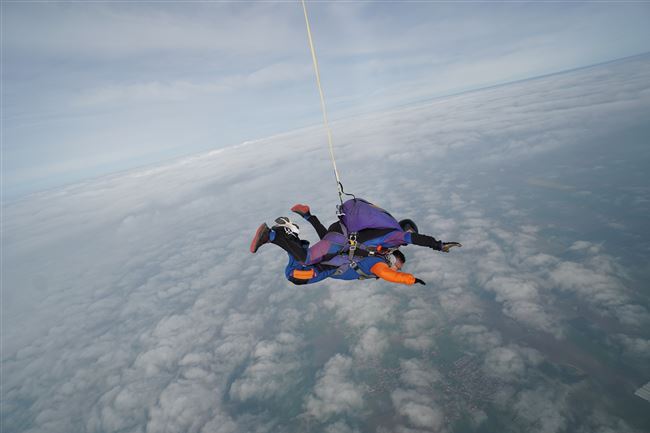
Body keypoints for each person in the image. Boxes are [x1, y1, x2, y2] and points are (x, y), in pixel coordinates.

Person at [250, 217, 426, 286]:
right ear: (392, 259)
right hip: (327, 267)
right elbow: (389, 275)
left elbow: (326, 237)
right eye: (398, 266)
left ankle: (282, 233)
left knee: (300, 262)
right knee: (293, 275)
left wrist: (310, 217)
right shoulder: (378, 263)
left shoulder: (375, 247)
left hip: (331, 257)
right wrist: (410, 279)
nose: (397, 269)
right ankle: (276, 234)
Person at [289, 203, 462, 259]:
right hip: (341, 237)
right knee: (307, 259)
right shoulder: (395, 235)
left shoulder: (384, 230)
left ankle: (308, 215)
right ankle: (281, 234)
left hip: (340, 231)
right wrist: (438, 245)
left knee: (327, 243)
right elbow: (416, 239)